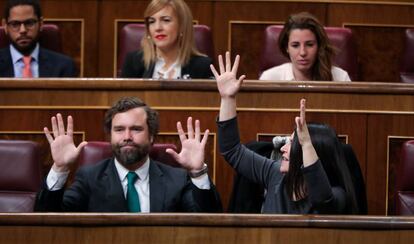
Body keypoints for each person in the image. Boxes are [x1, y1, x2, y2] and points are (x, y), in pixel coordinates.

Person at [211, 52, 358, 214]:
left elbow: (322, 200)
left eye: (292, 143)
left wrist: (307, 144)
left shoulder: (338, 194)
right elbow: (232, 151)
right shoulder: (276, 175)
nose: (282, 148)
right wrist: (227, 99)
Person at [35, 97, 222, 212]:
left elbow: (209, 222)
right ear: (110, 136)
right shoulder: (89, 178)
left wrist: (198, 173)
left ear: (151, 137)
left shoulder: (177, 179)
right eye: (119, 129)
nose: (127, 137)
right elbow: (48, 219)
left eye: (136, 129)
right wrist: (60, 168)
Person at [121, 0, 212, 79]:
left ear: (182, 26)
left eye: (166, 20)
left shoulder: (202, 66)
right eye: (152, 22)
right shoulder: (133, 62)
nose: (157, 28)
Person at [259, 12, 351, 82]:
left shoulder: (340, 78)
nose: (303, 52)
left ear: (319, 46)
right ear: (286, 47)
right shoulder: (269, 79)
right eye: (295, 45)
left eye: (309, 45)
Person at [0, 0, 76, 78]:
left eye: (29, 23)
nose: (23, 30)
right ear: (5, 26)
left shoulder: (64, 66)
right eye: (15, 24)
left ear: (41, 23)